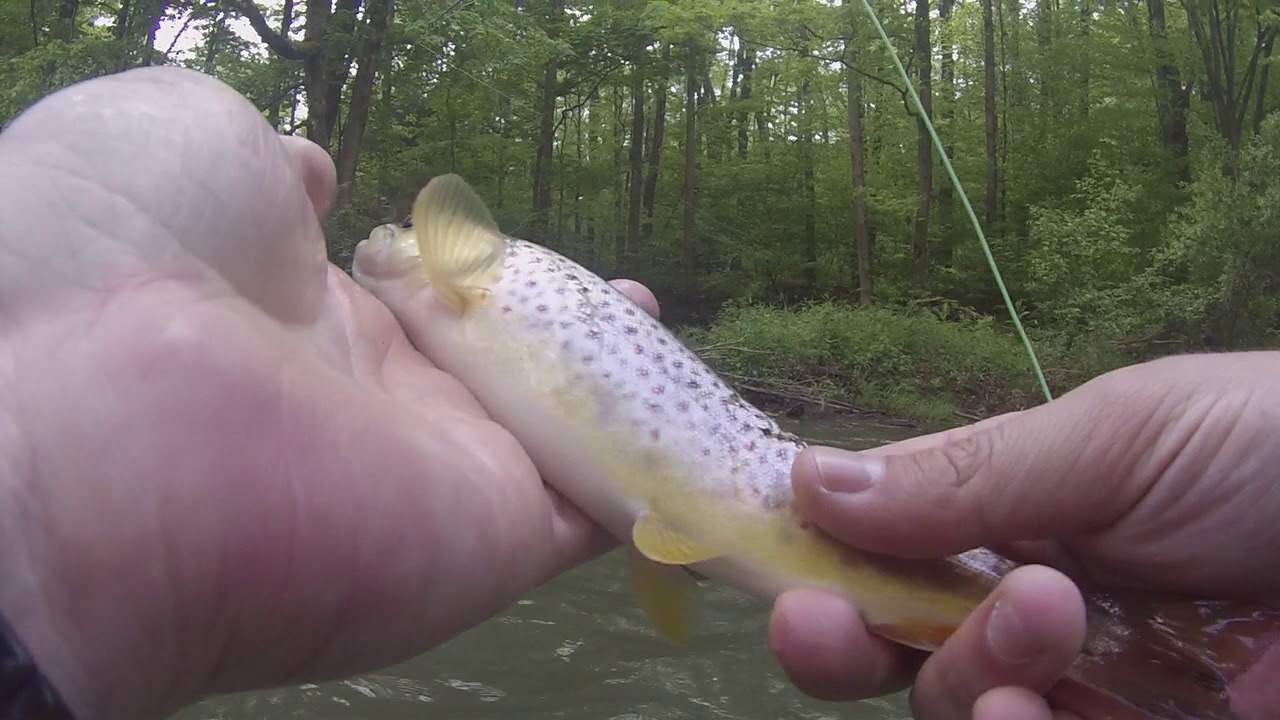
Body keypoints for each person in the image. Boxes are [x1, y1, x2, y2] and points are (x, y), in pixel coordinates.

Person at [0, 67, 1274, 720]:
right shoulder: (440, 330)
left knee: (1006, 624)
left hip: (744, 499)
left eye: (386, 239)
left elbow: (428, 225)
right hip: (727, 498)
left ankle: (1133, 648)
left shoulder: (445, 268)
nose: (369, 244)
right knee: (1003, 625)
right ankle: (1141, 653)